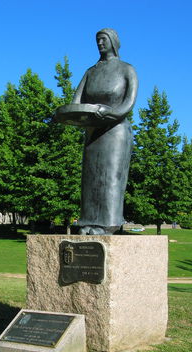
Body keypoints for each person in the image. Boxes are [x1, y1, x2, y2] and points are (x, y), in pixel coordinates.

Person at [69, 28, 138, 235]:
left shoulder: (127, 70)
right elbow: (76, 102)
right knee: (90, 179)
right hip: (93, 133)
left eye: (103, 39)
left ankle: (109, 224)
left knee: (111, 178)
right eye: (97, 40)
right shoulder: (90, 72)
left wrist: (109, 114)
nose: (100, 43)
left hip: (115, 132)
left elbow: (128, 104)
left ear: (113, 42)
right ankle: (87, 222)